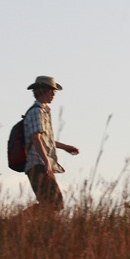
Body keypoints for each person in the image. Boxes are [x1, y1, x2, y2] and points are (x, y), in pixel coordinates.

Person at [23, 75, 79, 211]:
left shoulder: (42, 111)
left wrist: (65, 147)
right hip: (38, 164)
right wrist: (46, 161)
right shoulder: (37, 112)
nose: (54, 94)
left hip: (41, 164)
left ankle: (17, 222)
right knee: (55, 204)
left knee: (52, 204)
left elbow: (45, 140)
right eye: (51, 91)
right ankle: (14, 222)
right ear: (43, 91)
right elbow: (36, 139)